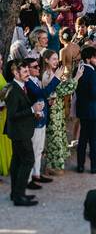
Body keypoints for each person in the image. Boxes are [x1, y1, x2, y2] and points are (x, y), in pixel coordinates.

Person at [5, 60, 45, 206]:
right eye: (25, 72)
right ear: (16, 73)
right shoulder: (13, 90)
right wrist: (33, 110)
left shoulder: (20, 87)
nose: (28, 74)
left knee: (17, 161)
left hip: (21, 131)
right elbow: (13, 115)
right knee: (28, 160)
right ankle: (19, 196)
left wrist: (34, 112)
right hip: (19, 132)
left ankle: (15, 194)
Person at [26, 53, 62, 188]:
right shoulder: (29, 82)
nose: (38, 69)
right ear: (27, 69)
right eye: (34, 67)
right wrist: (56, 78)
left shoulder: (35, 80)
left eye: (37, 66)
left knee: (39, 149)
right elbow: (41, 94)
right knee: (33, 150)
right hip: (34, 121)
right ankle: (29, 178)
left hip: (42, 119)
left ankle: (36, 173)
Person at [44, 50, 82, 174]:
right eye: (53, 59)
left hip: (58, 110)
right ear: (46, 60)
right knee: (54, 138)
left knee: (59, 136)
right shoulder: (47, 75)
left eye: (56, 59)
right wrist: (76, 78)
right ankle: (53, 167)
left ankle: (53, 165)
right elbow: (61, 91)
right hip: (52, 111)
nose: (56, 61)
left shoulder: (54, 73)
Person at [76, 46, 96, 174]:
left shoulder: (78, 70)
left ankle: (80, 165)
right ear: (88, 59)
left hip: (83, 110)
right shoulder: (93, 74)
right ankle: (94, 166)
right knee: (94, 140)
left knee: (83, 138)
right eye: (95, 57)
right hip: (95, 112)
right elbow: (95, 94)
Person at [0, 69, 12, 178]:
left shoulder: (1, 74)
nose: (0, 62)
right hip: (0, 112)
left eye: (1, 60)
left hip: (4, 114)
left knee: (5, 140)